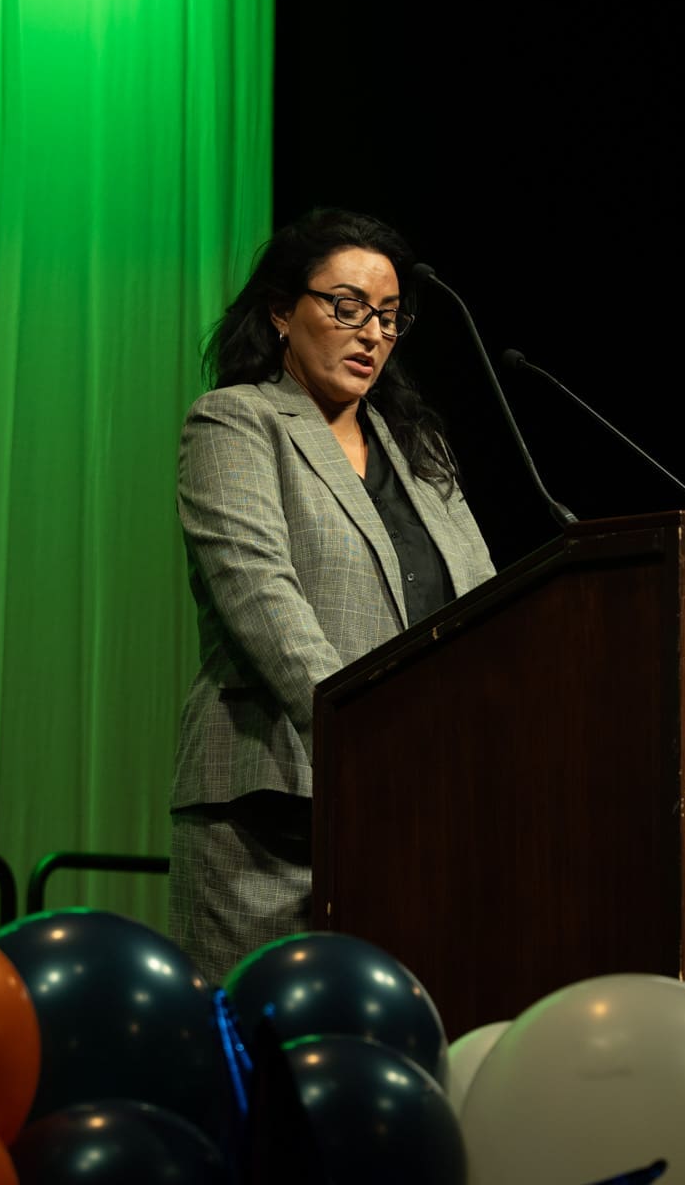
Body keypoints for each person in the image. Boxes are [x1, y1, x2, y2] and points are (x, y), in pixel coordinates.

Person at [166, 207, 497, 985]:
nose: (371, 333)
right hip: (273, 810)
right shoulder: (236, 421)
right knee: (258, 1038)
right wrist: (364, 737)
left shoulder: (418, 450)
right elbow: (262, 596)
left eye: (388, 316)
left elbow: (482, 603)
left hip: (418, 813)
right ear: (282, 312)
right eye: (347, 308)